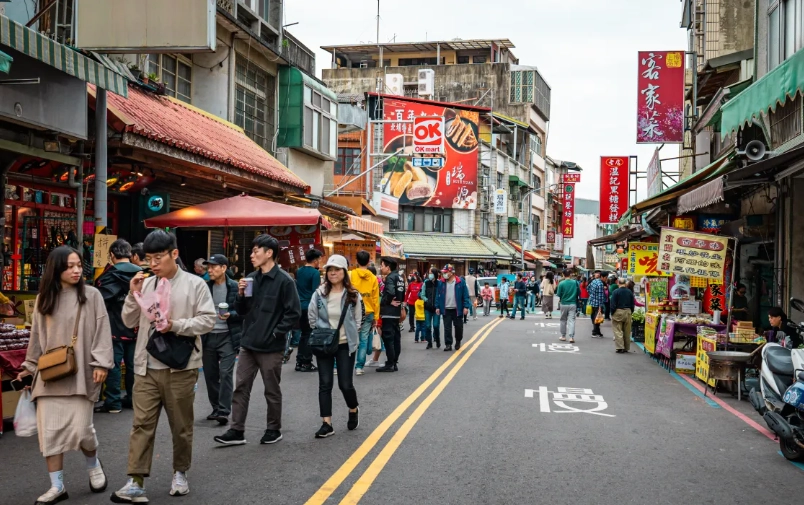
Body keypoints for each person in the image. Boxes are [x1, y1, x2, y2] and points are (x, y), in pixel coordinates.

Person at [110, 230, 216, 502]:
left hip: (181, 367)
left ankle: (180, 472)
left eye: (159, 257)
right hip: (146, 367)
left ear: (174, 254)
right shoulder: (144, 283)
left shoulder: (195, 284)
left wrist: (175, 325)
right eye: (149, 258)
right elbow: (129, 321)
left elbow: (208, 320)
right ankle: (135, 481)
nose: (153, 264)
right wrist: (133, 294)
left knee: (181, 425)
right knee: (141, 425)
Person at [17, 246, 114, 505]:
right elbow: (36, 337)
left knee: (83, 430)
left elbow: (103, 330)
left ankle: (93, 465)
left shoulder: (92, 295)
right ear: (56, 268)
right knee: (49, 434)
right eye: (70, 266)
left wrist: (102, 363)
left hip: (82, 373)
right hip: (50, 377)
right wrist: (29, 367)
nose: (76, 270)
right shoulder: (44, 298)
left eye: (79, 265)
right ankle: (57, 486)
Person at [214, 235, 301, 446]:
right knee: (241, 387)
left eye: (255, 251)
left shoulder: (284, 281)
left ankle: (273, 429)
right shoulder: (252, 278)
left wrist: (276, 333)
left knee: (271, 389)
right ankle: (236, 430)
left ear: (269, 253)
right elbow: (243, 310)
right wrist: (241, 294)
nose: (251, 255)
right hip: (249, 344)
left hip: (271, 346)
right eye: (252, 251)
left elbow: (294, 313)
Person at [307, 255, 362, 438]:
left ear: (344, 272)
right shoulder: (319, 293)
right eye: (330, 270)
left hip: (345, 345)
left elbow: (358, 320)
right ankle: (327, 423)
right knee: (325, 383)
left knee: (345, 384)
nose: (333, 273)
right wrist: (321, 333)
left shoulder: (353, 295)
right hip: (324, 344)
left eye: (337, 269)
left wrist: (350, 335)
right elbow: (312, 315)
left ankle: (353, 408)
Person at [94, 239, 142, 414]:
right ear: (130, 254)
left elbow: (99, 300)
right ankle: (133, 398)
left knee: (113, 364)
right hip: (136, 326)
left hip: (112, 326)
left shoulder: (107, 276)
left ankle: (113, 402)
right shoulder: (142, 274)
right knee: (133, 364)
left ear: (112, 255)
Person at [202, 254, 242, 425]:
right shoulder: (204, 287)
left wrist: (230, 315)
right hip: (208, 336)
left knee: (225, 373)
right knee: (210, 375)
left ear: (224, 268)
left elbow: (244, 311)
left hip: (228, 336)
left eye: (213, 267)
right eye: (208, 267)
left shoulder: (235, 287)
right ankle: (216, 408)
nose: (209, 270)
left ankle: (224, 411)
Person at [350, 251, 380, 375]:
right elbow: (375, 299)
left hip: (352, 311)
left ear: (356, 261)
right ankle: (359, 367)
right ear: (368, 261)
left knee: (348, 338)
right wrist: (376, 317)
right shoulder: (373, 278)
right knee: (363, 339)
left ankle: (341, 365)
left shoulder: (351, 274)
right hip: (368, 311)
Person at [295, 249, 323, 372]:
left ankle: (299, 361)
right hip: (309, 306)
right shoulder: (315, 273)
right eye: (319, 259)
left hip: (299, 306)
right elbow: (315, 292)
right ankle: (306, 362)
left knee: (303, 334)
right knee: (309, 334)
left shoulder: (299, 271)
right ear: (315, 260)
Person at [376, 256, 405, 372]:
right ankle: (394, 362)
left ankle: (390, 363)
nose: (381, 268)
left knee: (388, 338)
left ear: (388, 267)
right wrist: (398, 301)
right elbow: (402, 293)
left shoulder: (390, 277)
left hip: (389, 312)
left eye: (382, 266)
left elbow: (390, 292)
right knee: (396, 337)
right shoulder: (400, 277)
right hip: (396, 312)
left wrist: (387, 301)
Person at [435, 264, 471, 351]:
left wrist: (466, 307)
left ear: (451, 272)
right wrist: (437, 306)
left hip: (457, 309)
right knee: (447, 328)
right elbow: (438, 295)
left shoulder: (460, 282)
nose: (444, 274)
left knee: (458, 327)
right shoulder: (441, 282)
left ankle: (458, 341)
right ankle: (448, 344)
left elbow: (465, 295)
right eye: (444, 272)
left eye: (446, 272)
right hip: (446, 309)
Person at [366, 265, 387, 365]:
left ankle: (375, 357)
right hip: (378, 309)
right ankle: (375, 357)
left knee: (377, 332)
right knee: (377, 332)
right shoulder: (379, 281)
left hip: (376, 309)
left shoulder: (374, 281)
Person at [610, 278, 635, 353]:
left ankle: (620, 347)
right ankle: (626, 347)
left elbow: (613, 304)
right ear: (625, 283)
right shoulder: (629, 292)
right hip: (628, 312)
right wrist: (631, 311)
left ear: (618, 283)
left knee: (617, 330)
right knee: (627, 331)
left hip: (618, 311)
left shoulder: (615, 292)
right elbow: (632, 303)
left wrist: (612, 313)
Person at [555, 271, 579, 343]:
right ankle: (571, 337)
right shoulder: (575, 282)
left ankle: (563, 336)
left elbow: (558, 294)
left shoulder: (561, 283)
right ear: (570, 274)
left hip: (563, 303)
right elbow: (579, 292)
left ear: (563, 274)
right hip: (573, 303)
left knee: (563, 320)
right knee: (571, 320)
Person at [421, 267, 441, 349]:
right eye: (429, 273)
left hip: (436, 308)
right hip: (427, 308)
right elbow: (422, 294)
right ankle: (429, 342)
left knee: (436, 325)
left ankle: (437, 339)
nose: (429, 274)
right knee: (428, 326)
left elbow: (441, 295)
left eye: (431, 273)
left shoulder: (439, 283)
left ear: (435, 274)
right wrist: (427, 300)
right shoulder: (426, 283)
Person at [588, 271, 607, 338]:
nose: (606, 279)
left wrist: (592, 295)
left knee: (594, 317)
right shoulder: (600, 284)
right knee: (597, 318)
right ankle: (594, 332)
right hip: (597, 304)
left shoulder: (594, 281)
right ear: (602, 277)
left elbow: (588, 288)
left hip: (592, 302)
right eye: (605, 278)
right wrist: (600, 306)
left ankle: (598, 332)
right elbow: (600, 296)